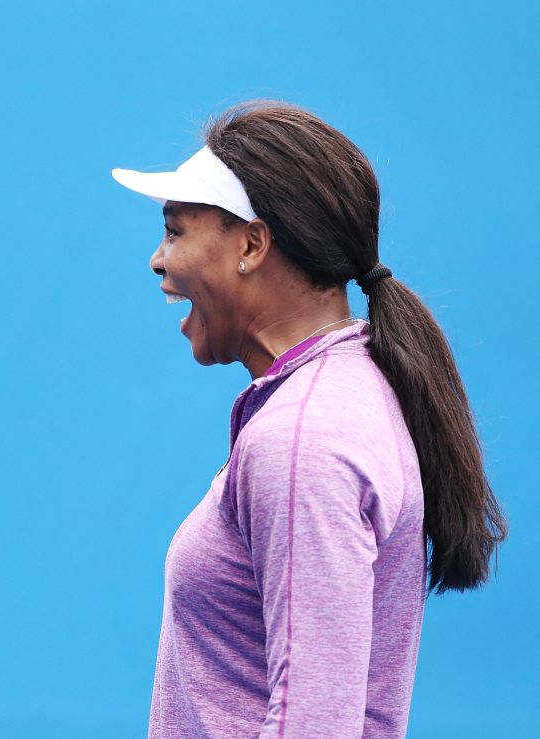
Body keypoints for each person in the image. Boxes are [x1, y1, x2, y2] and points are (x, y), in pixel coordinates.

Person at [111, 102, 506, 737]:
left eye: (177, 231)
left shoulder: (303, 439)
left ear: (251, 244)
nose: (158, 260)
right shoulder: (340, 396)